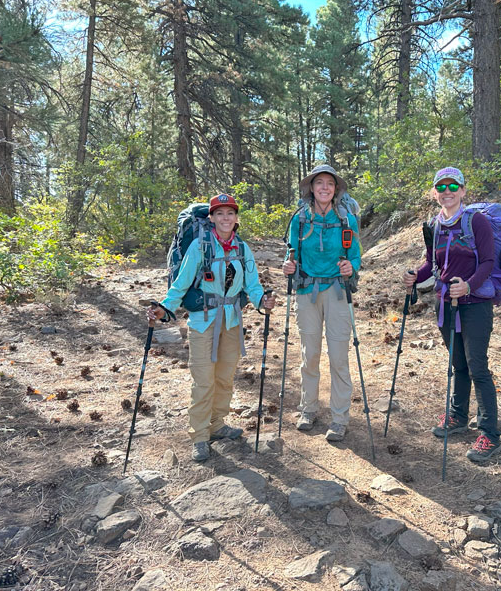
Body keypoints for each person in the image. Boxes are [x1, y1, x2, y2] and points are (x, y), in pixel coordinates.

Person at [147, 194, 275, 462]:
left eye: (230, 213)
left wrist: (263, 300)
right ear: (212, 218)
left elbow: (252, 285)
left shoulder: (242, 248)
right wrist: (164, 307)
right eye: (220, 213)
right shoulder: (199, 246)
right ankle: (200, 436)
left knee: (225, 377)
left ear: (236, 218)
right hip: (203, 321)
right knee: (203, 379)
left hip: (232, 320)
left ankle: (217, 424)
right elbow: (181, 284)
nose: (225, 218)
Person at [403, 167, 501, 464]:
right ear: (435, 193)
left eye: (452, 186)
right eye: (441, 186)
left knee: (477, 366)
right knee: (456, 362)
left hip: (474, 304)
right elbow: (432, 264)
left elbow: (487, 261)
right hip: (445, 302)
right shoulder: (435, 225)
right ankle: (457, 417)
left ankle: (489, 432)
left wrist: (469, 285)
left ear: (462, 190)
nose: (447, 191)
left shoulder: (477, 221)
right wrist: (414, 275)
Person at [281, 165, 360, 442]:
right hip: (306, 292)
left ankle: (339, 419)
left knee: (339, 358)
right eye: (319, 183)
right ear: (311, 189)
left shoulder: (347, 219)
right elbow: (290, 254)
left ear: (336, 189)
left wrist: (352, 266)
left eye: (330, 183)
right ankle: (308, 409)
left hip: (338, 291)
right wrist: (287, 266)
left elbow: (356, 257)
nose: (324, 188)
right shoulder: (299, 220)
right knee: (309, 354)